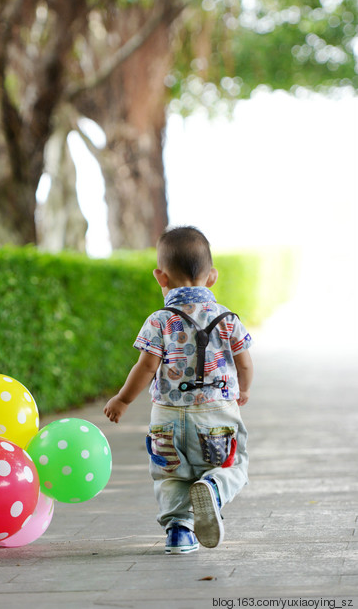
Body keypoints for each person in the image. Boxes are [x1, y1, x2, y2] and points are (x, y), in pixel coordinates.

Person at [104, 226, 253, 555]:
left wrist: (122, 399)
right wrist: (243, 390)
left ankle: (179, 533)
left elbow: (145, 367)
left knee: (171, 476)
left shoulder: (159, 320)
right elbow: (244, 364)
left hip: (167, 417)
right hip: (217, 412)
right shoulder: (228, 319)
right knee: (232, 466)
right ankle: (213, 489)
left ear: (161, 277)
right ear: (212, 276)